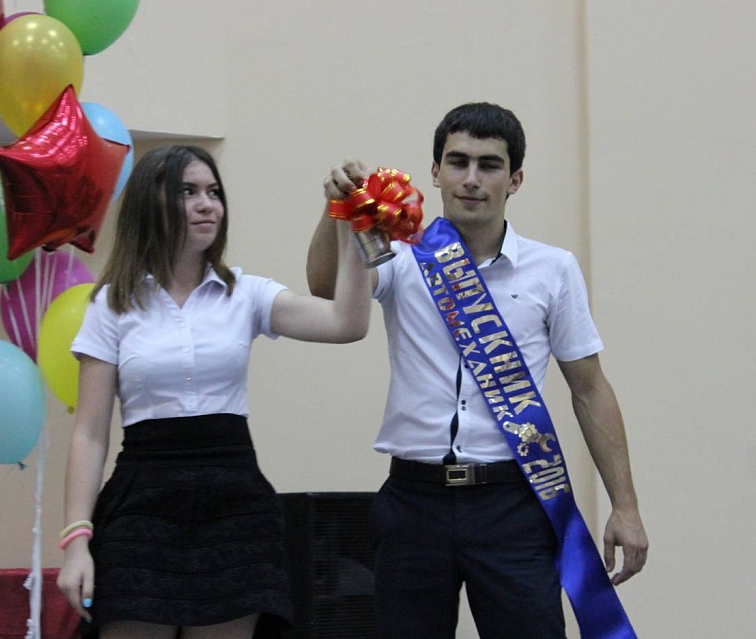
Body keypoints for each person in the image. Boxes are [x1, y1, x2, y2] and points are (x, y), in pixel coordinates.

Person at [306, 102, 648, 638]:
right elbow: (325, 290)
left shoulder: (552, 269)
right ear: (435, 171)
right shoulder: (400, 257)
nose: (471, 178)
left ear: (514, 180)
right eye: (458, 161)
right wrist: (337, 210)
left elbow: (590, 389)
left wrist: (625, 506)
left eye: (489, 165)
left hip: (512, 501)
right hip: (414, 501)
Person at [57, 145, 371, 639]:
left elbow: (346, 323)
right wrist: (77, 541)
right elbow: (89, 436)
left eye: (213, 192)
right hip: (142, 503)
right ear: (151, 204)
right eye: (188, 192)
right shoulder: (112, 304)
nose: (208, 205)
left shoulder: (245, 293)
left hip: (234, 502)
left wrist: (351, 221)